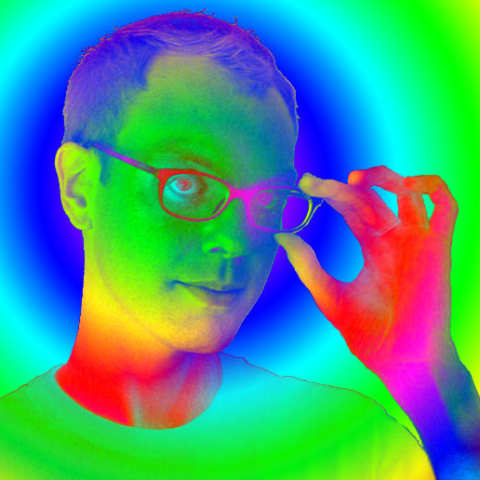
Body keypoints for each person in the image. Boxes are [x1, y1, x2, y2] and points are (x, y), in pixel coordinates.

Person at [0, 11, 479, 480]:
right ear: (80, 188)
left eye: (268, 197)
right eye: (188, 184)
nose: (236, 240)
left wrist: (426, 370)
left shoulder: (354, 451)